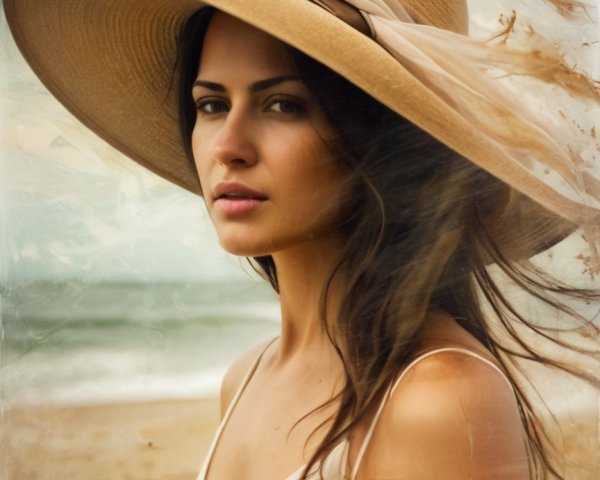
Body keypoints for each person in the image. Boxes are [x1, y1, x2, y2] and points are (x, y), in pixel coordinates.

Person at [4, 0, 599, 479]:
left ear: (376, 134)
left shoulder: (439, 400)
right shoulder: (246, 377)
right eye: (211, 104)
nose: (227, 145)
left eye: (282, 104)